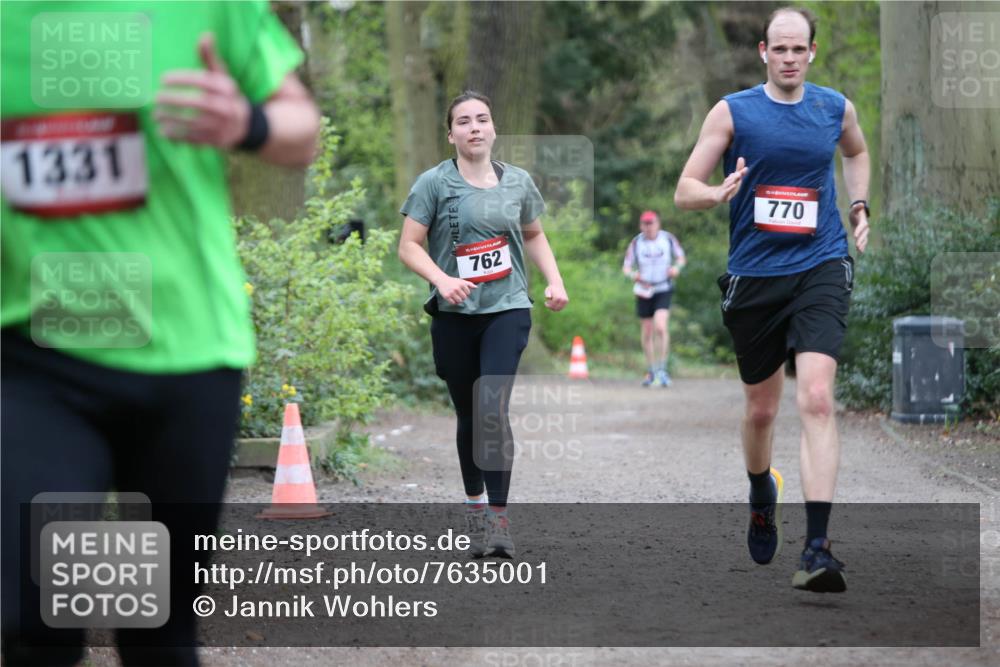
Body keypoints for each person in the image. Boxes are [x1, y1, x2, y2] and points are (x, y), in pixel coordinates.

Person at [1, 2, 320, 664]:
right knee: (35, 620)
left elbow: (302, 126)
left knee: (158, 632)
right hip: (37, 357)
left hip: (187, 352)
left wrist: (246, 121)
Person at [674, 7, 870, 593]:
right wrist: (715, 193)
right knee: (762, 411)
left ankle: (817, 548)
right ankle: (763, 493)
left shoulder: (834, 108)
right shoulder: (734, 111)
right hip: (755, 275)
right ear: (763, 51)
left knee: (815, 397)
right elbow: (684, 190)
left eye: (798, 50)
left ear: (813, 52)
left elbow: (856, 153)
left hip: (821, 264)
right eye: (778, 49)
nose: (788, 58)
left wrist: (859, 205)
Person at [398, 91, 568, 559]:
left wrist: (554, 281)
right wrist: (441, 278)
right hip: (454, 314)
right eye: (464, 122)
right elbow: (409, 245)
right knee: (469, 415)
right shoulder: (433, 183)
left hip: (508, 308)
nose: (475, 128)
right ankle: (474, 505)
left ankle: (498, 520)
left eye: (483, 120)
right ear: (450, 133)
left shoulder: (519, 183)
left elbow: (533, 234)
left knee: (491, 409)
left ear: (494, 130)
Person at [622, 210, 686, 387]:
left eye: (651, 223)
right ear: (641, 225)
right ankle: (651, 370)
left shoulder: (668, 239)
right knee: (647, 330)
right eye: (645, 224)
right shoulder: (636, 243)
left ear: (658, 223)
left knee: (660, 326)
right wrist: (633, 275)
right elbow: (626, 267)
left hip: (663, 287)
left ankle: (662, 369)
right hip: (644, 290)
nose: (648, 227)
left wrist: (676, 268)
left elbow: (681, 257)